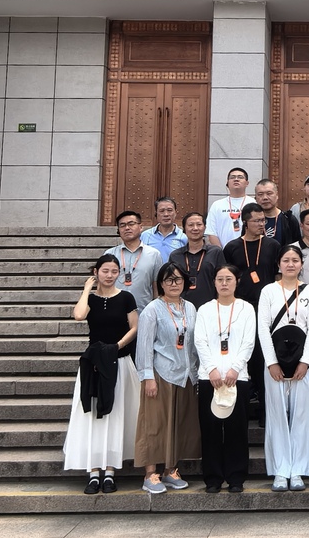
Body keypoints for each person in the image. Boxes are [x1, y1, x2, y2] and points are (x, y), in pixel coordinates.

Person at [63, 255, 140, 494]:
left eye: (114, 271)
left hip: (119, 362)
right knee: (93, 416)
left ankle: (110, 472)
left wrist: (116, 347)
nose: (110, 275)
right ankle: (94, 473)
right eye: (105, 270)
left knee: (115, 415)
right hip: (94, 364)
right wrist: (87, 289)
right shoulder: (91, 299)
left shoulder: (126, 297)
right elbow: (79, 315)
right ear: (96, 272)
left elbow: (134, 327)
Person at [256, 245, 309, 492]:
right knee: (277, 416)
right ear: (279, 264)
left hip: (303, 362)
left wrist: (306, 361)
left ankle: (299, 470)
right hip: (275, 362)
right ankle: (281, 471)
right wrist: (271, 362)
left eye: (295, 260)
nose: (290, 264)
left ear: (301, 264)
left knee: (302, 415)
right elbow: (263, 328)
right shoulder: (269, 291)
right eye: (286, 260)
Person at [134, 262, 201, 493]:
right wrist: (147, 377)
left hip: (186, 373)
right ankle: (150, 474)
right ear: (161, 284)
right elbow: (144, 345)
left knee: (178, 423)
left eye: (178, 279)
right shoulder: (152, 309)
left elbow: (194, 343)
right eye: (169, 280)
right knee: (154, 424)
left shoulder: (190, 308)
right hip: (160, 373)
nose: (174, 284)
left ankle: (171, 470)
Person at [193, 265, 256, 493]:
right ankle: (213, 478)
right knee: (210, 429)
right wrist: (211, 369)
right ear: (214, 282)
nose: (224, 283)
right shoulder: (205, 309)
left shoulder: (246, 308)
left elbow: (249, 341)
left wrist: (235, 369)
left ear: (236, 281)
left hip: (237, 378)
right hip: (209, 378)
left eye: (228, 279)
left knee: (236, 430)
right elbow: (199, 341)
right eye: (220, 279)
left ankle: (236, 477)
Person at [168, 211, 225, 309]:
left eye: (199, 224)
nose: (195, 228)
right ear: (184, 229)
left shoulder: (215, 252)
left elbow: (223, 279)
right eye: (191, 225)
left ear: (205, 228)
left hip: (210, 308)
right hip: (181, 308)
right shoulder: (175, 255)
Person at [110, 210, 163, 313]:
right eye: (122, 225)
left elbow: (156, 285)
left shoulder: (154, 254)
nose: (127, 228)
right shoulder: (110, 254)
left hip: (144, 312)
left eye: (131, 224)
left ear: (141, 227)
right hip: (115, 312)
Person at [206, 167, 255, 248]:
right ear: (227, 183)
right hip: (223, 251)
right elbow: (212, 232)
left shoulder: (253, 203)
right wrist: (221, 252)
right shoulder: (217, 205)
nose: (236, 179)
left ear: (247, 183)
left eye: (240, 177)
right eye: (232, 177)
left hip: (248, 250)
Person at [255, 178, 302, 245]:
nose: (265, 197)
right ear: (255, 198)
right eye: (260, 194)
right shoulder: (251, 221)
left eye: (269, 193)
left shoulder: (289, 219)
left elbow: (296, 245)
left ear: (277, 195)